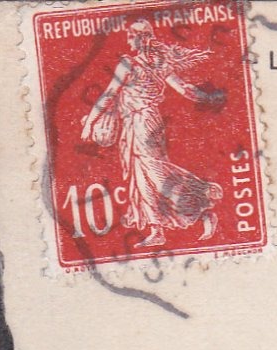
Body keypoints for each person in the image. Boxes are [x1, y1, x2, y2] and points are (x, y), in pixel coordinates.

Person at [80, 20, 225, 247]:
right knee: (143, 176)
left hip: (140, 121)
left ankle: (200, 208)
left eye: (131, 35)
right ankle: (157, 229)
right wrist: (207, 98)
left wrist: (90, 123)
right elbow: (185, 89)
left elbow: (109, 94)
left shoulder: (128, 64)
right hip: (148, 122)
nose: (128, 40)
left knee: (154, 173)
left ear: (142, 38)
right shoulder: (160, 65)